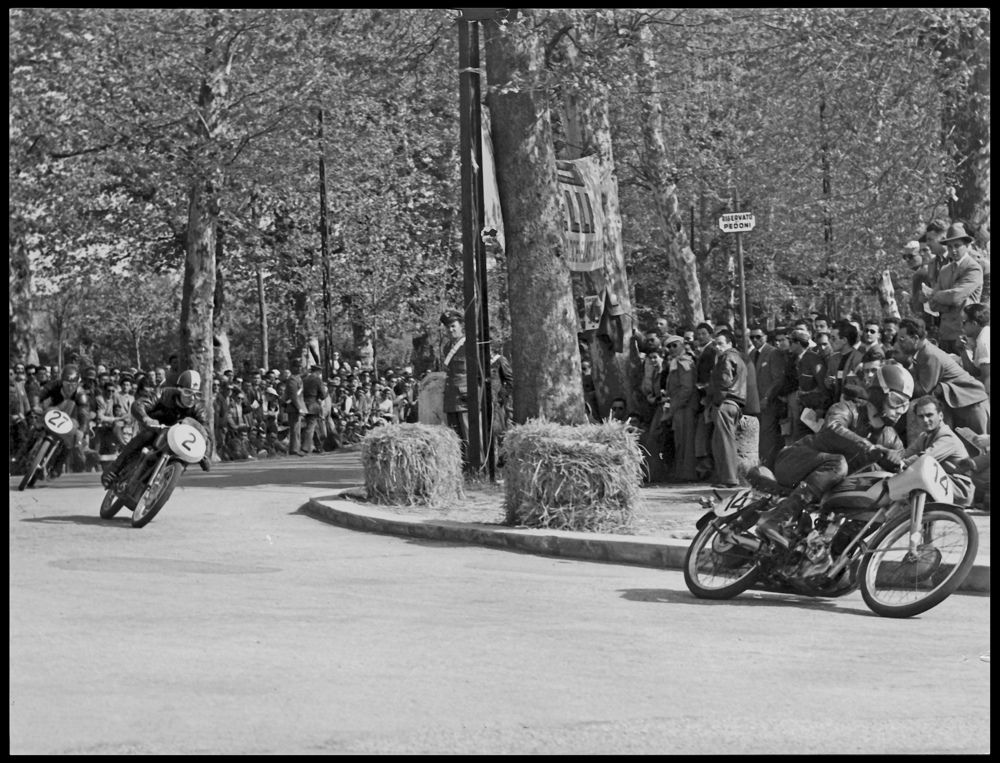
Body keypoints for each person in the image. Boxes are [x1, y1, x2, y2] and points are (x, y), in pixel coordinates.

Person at [754, 363, 912, 547]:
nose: (900, 410)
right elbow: (832, 427)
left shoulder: (890, 438)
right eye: (896, 401)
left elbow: (902, 461)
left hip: (830, 486)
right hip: (794, 462)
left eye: (906, 405)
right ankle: (777, 519)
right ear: (879, 394)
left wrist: (905, 463)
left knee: (881, 499)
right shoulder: (848, 409)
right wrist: (869, 447)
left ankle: (832, 554)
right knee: (839, 464)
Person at [100, 369, 212, 487]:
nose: (192, 398)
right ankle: (113, 470)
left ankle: (165, 484)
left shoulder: (199, 409)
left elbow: (205, 432)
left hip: (180, 440)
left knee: (185, 457)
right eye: (188, 393)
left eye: (197, 394)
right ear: (179, 390)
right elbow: (140, 404)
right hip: (156, 428)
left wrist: (205, 455)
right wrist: (145, 418)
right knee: (147, 435)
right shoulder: (163, 393)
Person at [894, 317, 989, 435]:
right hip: (963, 407)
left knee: (980, 450)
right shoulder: (922, 353)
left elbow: (922, 391)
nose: (899, 344)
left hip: (971, 406)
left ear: (915, 338)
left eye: (902, 339)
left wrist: (904, 369)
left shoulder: (929, 355)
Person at [922, 222, 984, 355]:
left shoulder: (973, 268)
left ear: (967, 245)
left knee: (965, 373)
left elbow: (955, 297)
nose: (953, 250)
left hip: (964, 333)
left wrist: (935, 294)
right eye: (950, 247)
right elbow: (933, 306)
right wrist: (942, 299)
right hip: (945, 333)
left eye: (957, 246)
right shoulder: (945, 270)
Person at [901, 395, 975, 506]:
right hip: (943, 484)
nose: (925, 420)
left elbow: (925, 458)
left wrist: (900, 464)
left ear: (940, 416)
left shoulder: (947, 437)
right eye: (921, 416)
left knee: (918, 476)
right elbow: (905, 455)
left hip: (960, 489)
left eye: (929, 415)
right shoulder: (924, 436)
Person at [707, 328, 746, 488]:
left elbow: (724, 381)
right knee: (722, 440)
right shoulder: (738, 358)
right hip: (734, 402)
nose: (717, 347)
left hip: (726, 402)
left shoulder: (726, 357)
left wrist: (717, 400)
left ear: (729, 344)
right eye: (715, 344)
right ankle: (725, 476)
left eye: (721, 343)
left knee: (724, 441)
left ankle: (729, 478)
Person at [749, 327, 787, 470]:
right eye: (752, 337)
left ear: (765, 336)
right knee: (760, 436)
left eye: (758, 337)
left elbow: (778, 379)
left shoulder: (773, 353)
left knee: (767, 436)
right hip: (756, 402)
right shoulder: (752, 353)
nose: (755, 340)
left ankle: (767, 467)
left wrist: (767, 397)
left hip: (769, 402)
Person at [661, 334, 698, 481]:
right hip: (679, 406)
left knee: (686, 441)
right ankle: (682, 472)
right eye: (668, 346)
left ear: (682, 345)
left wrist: (673, 408)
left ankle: (687, 474)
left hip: (685, 407)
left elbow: (686, 389)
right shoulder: (676, 362)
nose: (671, 349)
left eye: (674, 345)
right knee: (680, 440)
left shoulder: (684, 362)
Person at [440, 309, 470, 465]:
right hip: (451, 397)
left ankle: (474, 468)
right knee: (454, 435)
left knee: (468, 434)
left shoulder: (470, 344)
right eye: (448, 327)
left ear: (461, 326)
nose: (450, 330)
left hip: (465, 397)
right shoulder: (447, 348)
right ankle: (460, 467)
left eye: (453, 326)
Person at [961, 303, 990, 392]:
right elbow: (976, 371)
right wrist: (962, 350)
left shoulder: (983, 342)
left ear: (974, 323)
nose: (961, 326)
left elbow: (987, 382)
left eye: (964, 322)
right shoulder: (982, 335)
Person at [300, 363, 327, 454]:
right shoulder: (317, 379)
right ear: (319, 371)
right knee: (311, 427)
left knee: (313, 427)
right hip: (313, 405)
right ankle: (305, 448)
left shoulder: (304, 379)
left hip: (303, 404)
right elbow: (323, 395)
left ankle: (318, 447)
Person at [281, 359, 306, 456]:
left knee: (297, 429)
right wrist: (299, 408)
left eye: (300, 366)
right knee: (295, 429)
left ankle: (296, 448)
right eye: (297, 366)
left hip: (297, 406)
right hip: (293, 407)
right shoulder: (292, 379)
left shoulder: (298, 378)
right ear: (292, 368)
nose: (299, 368)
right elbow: (293, 395)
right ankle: (294, 449)